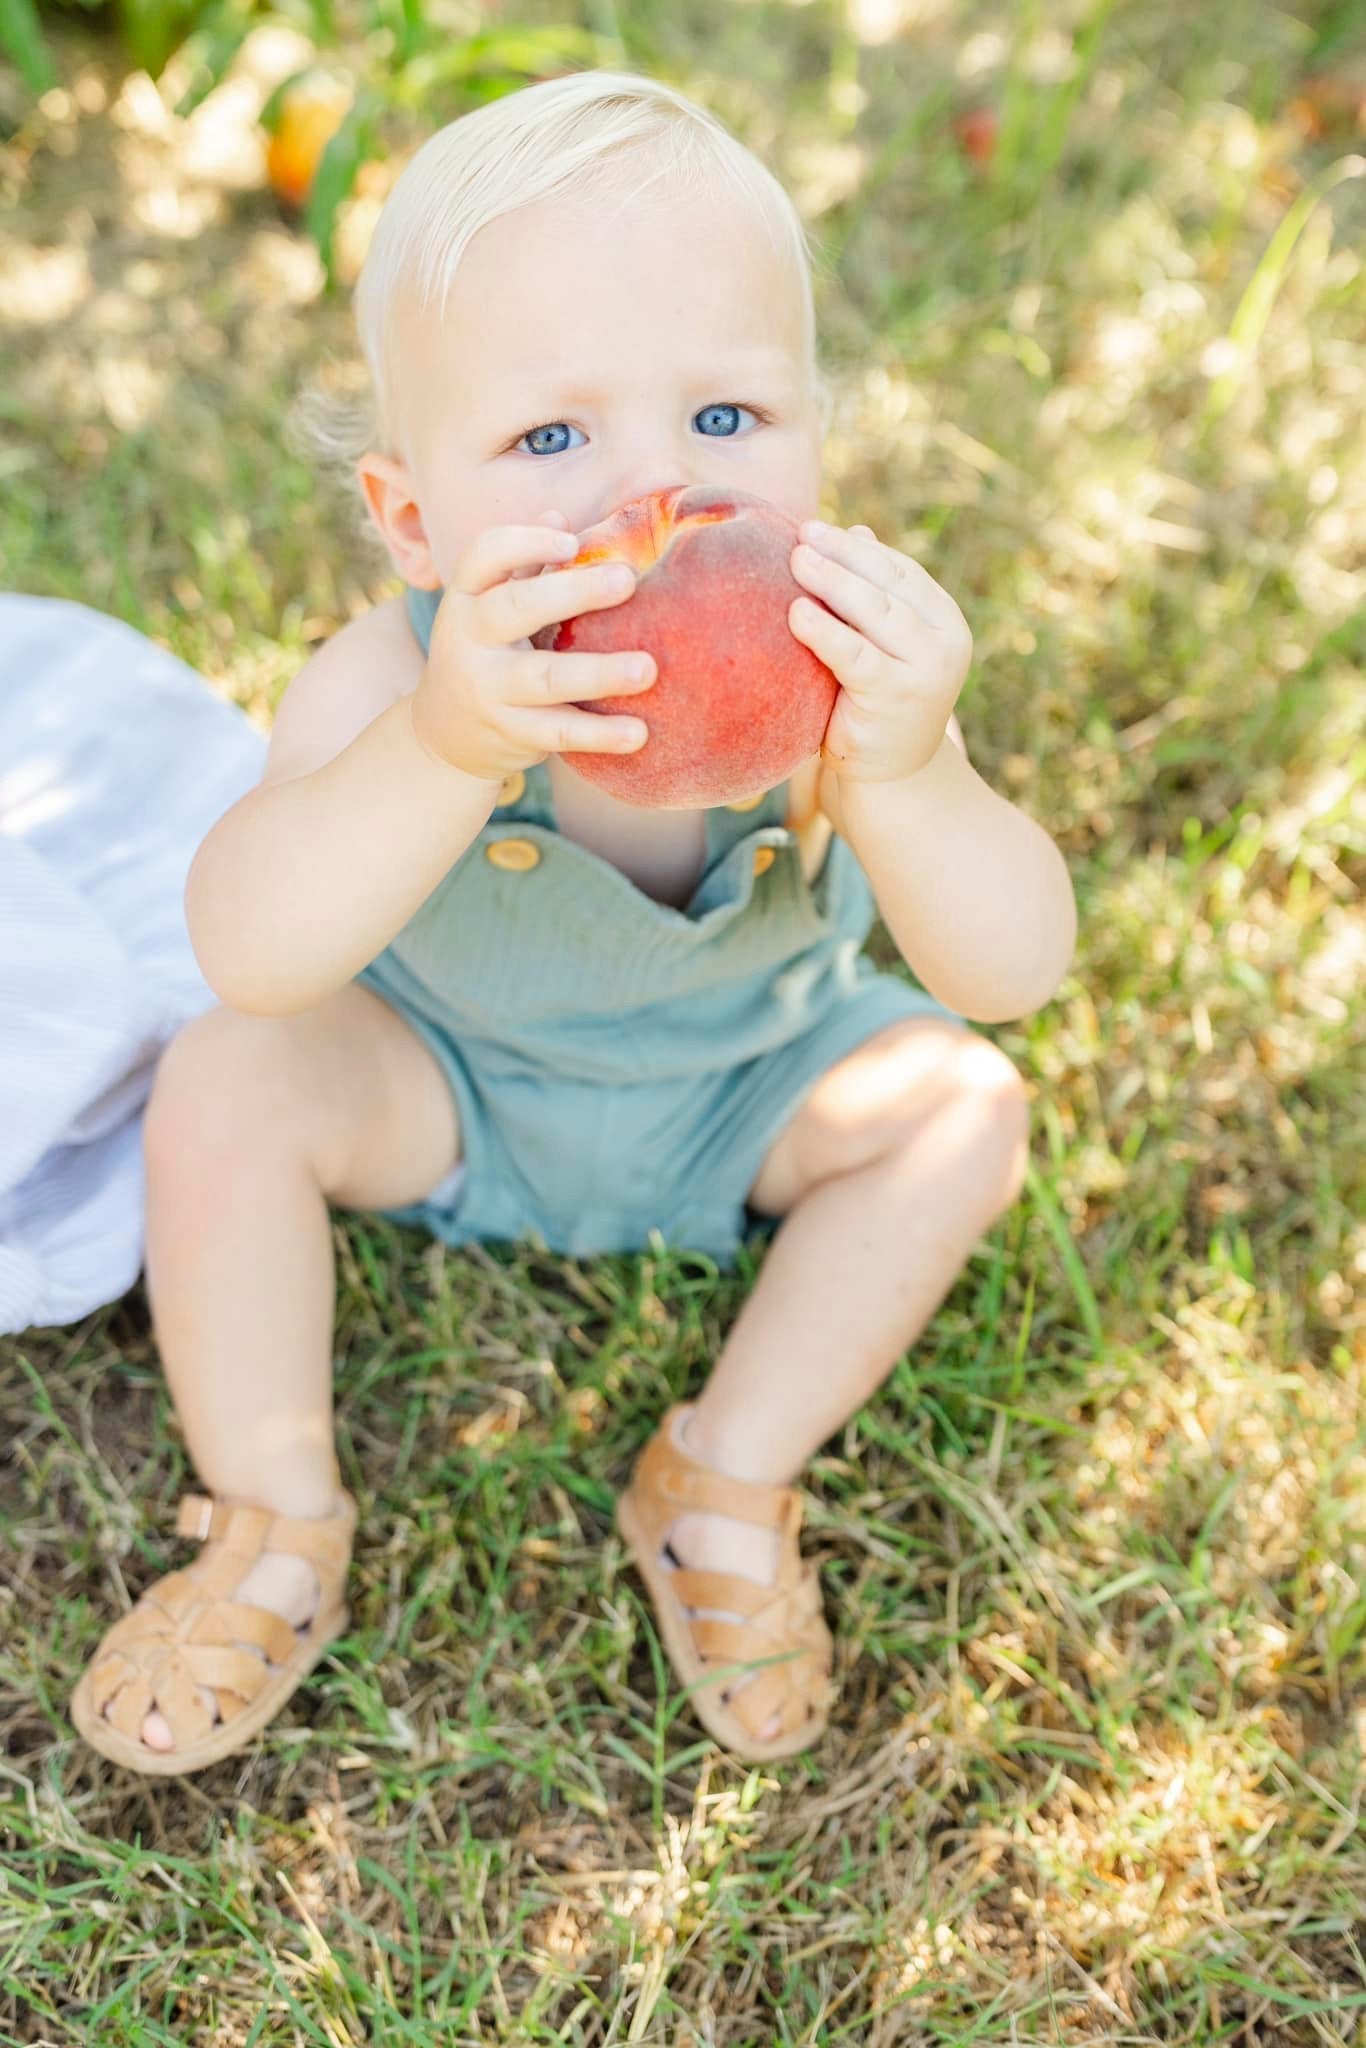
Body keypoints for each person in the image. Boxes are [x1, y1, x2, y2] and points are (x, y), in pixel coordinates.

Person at [71, 69, 1075, 1776]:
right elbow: (253, 947)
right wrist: (446, 747)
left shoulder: (831, 674)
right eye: (550, 439)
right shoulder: (394, 678)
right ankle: (273, 1517)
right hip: (440, 1087)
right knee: (230, 1074)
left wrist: (908, 775)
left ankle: (725, 1473)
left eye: (727, 421)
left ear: (815, 442)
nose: (649, 494)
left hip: (743, 1092)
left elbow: (1012, 971)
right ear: (411, 519)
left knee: (963, 1108)